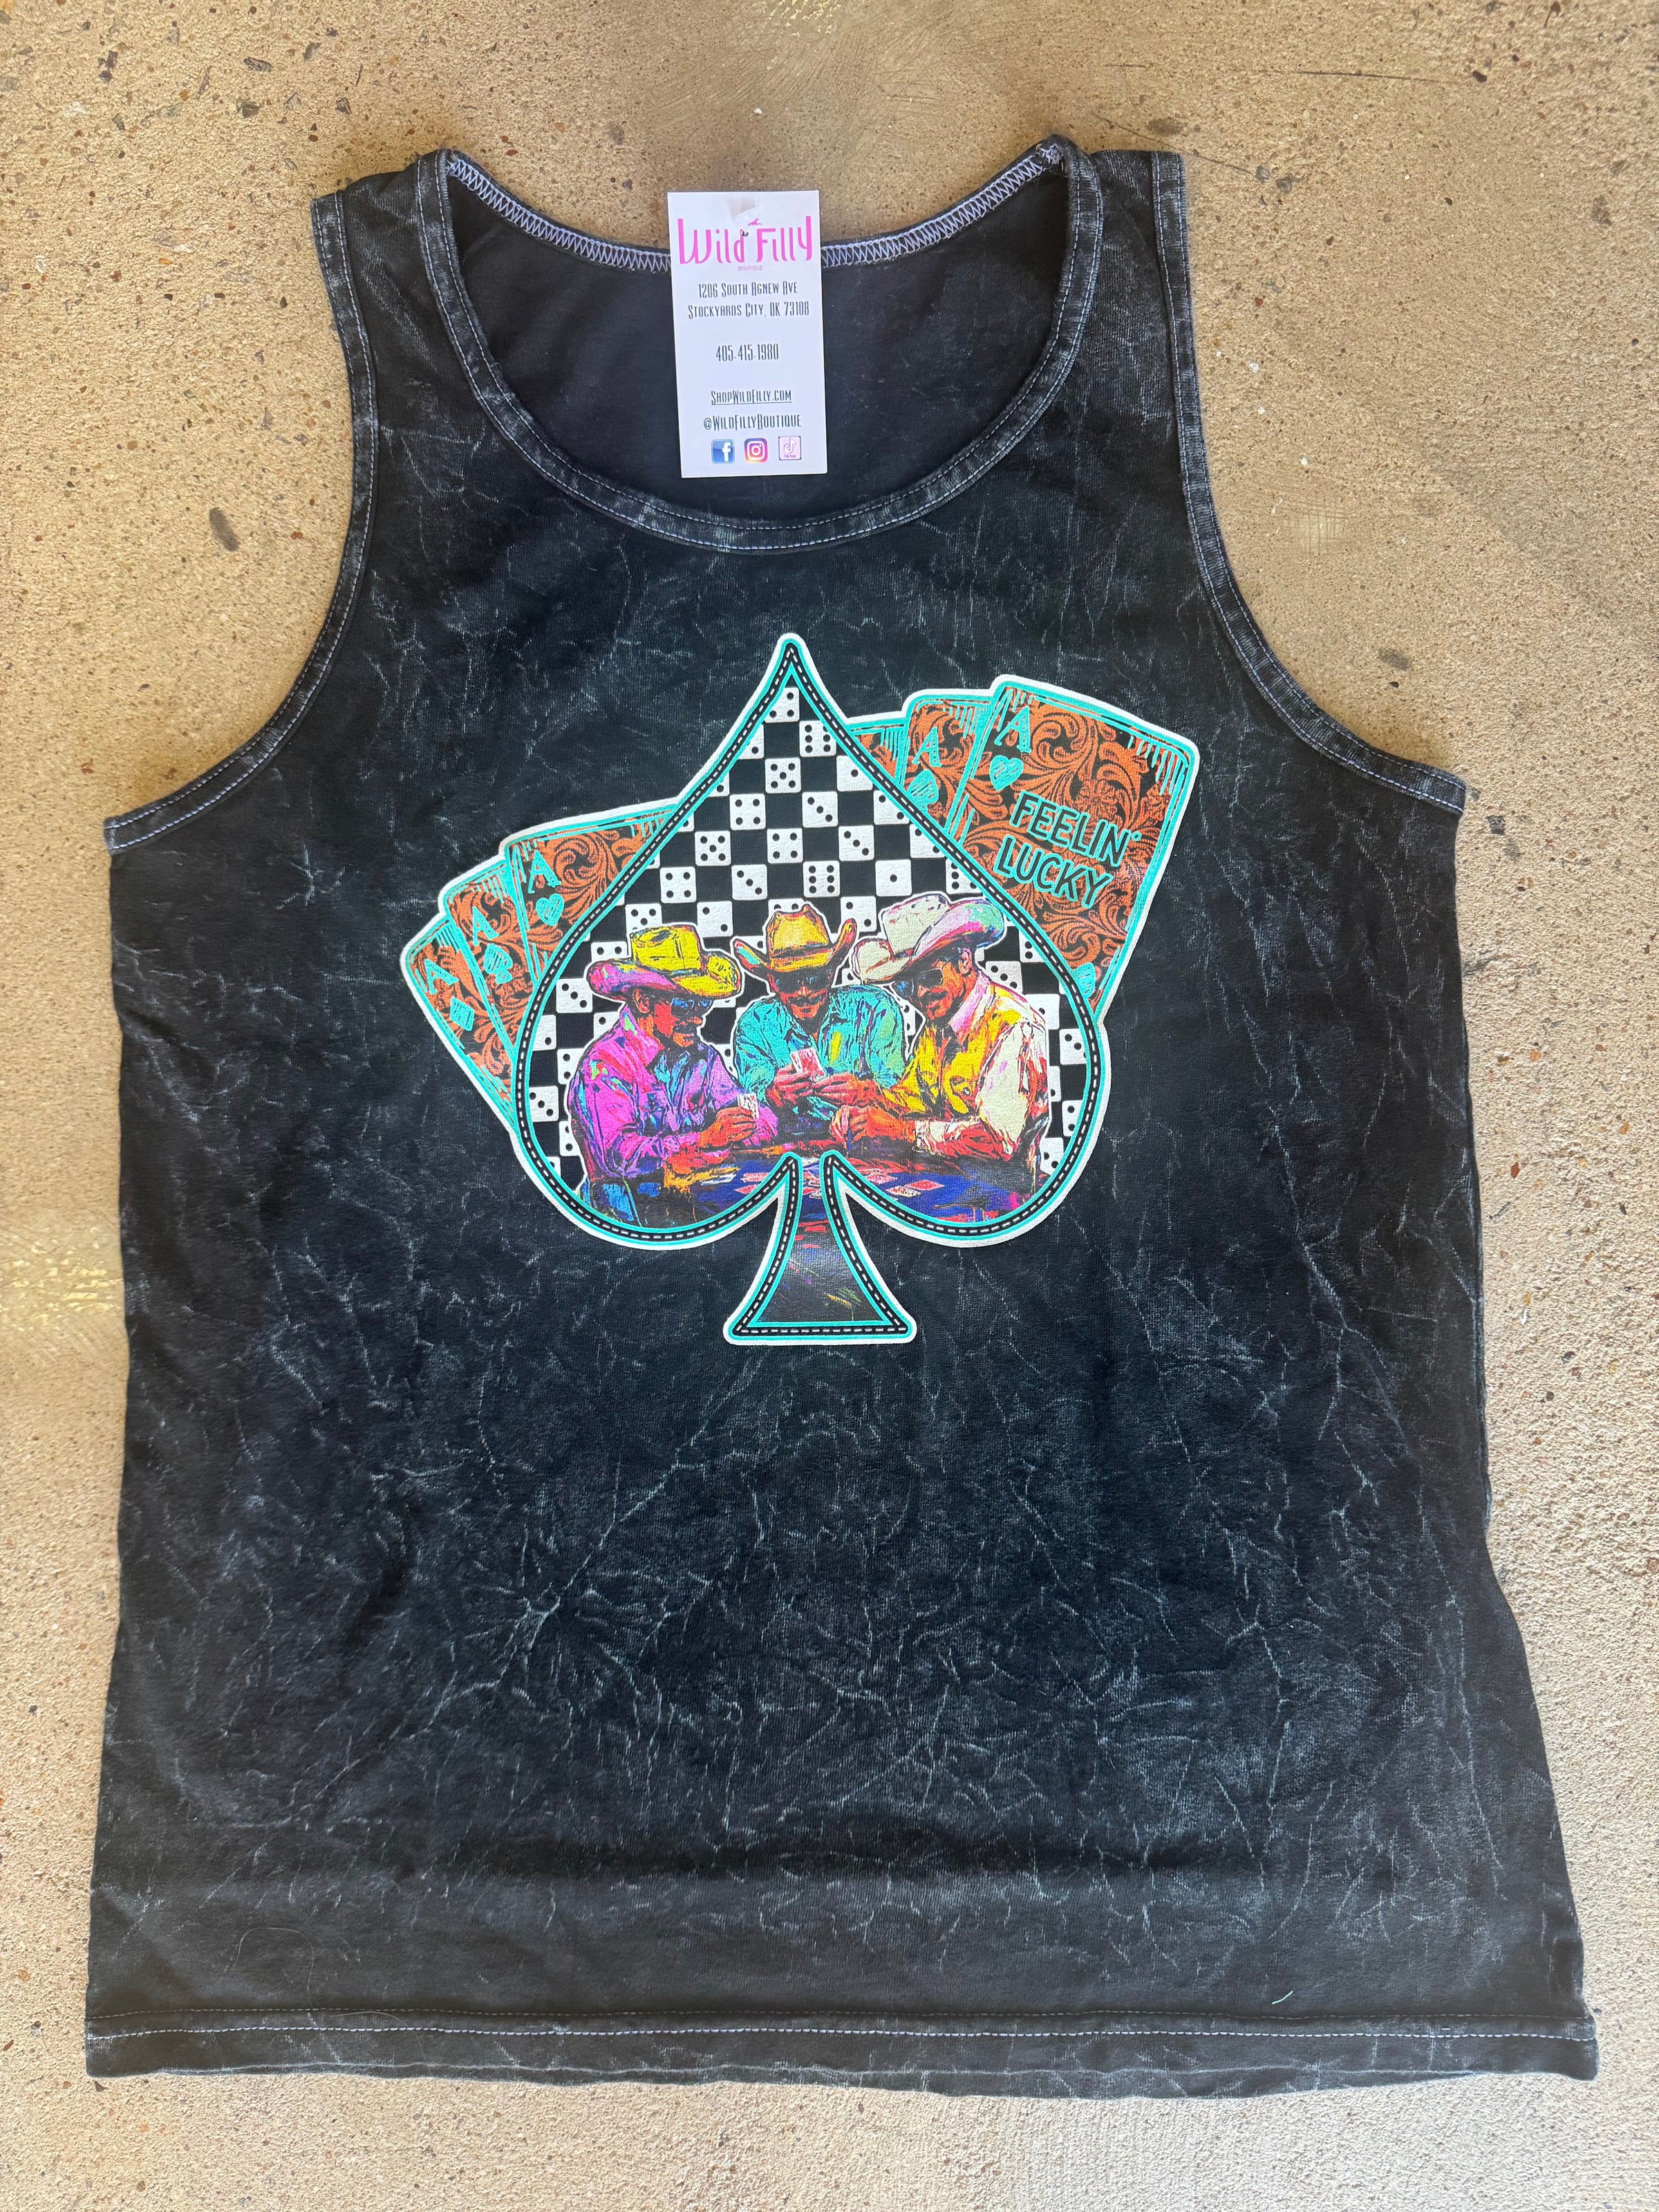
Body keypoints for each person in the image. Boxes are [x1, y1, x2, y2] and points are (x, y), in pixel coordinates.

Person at [827, 892, 1050, 1200]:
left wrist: (901, 1131)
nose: (919, 995)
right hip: (943, 1186)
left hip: (1003, 1199)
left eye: (930, 977)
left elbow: (996, 1141)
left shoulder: (1013, 1026)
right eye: (906, 986)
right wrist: (868, 1097)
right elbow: (912, 1098)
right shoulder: (935, 1029)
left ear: (964, 960)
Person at [565, 924, 775, 1224]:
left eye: (702, 1004)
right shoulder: (603, 1065)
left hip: (697, 1209)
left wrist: (749, 1124)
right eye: (684, 1005)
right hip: (628, 1220)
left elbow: (759, 1118)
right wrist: (705, 1140)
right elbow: (621, 1156)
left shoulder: (704, 1059)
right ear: (643, 1001)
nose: (698, 1019)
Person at [729, 905, 907, 1136]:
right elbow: (751, 1107)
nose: (804, 993)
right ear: (772, 981)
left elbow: (902, 1094)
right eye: (789, 982)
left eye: (815, 979)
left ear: (831, 973)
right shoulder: (754, 1026)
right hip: (788, 1145)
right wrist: (774, 1096)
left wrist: (864, 1092)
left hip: (866, 1140)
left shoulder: (874, 1008)